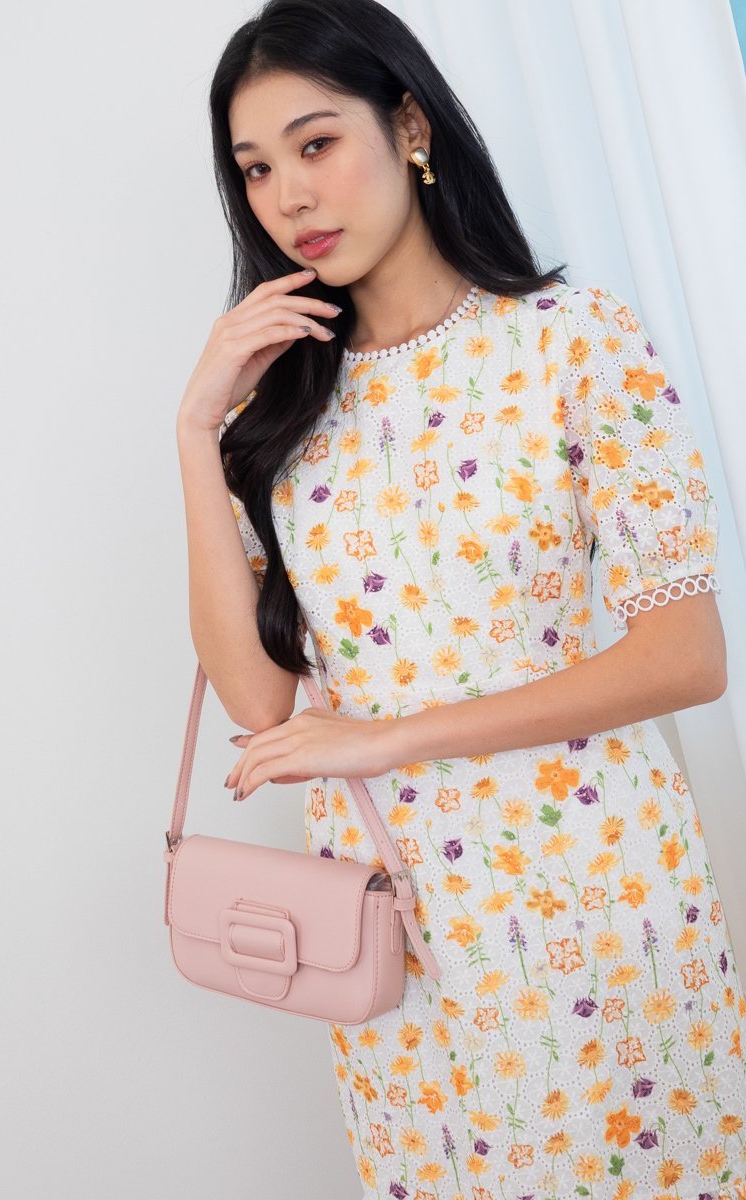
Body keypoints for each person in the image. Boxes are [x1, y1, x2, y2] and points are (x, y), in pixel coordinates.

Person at [175, 0, 746, 1195]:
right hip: (390, 924)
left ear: (409, 126)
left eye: (316, 142)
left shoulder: (572, 341)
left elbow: (685, 658)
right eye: (256, 168)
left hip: (589, 891)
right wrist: (191, 430)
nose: (289, 194)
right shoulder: (272, 414)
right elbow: (257, 703)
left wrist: (384, 737)